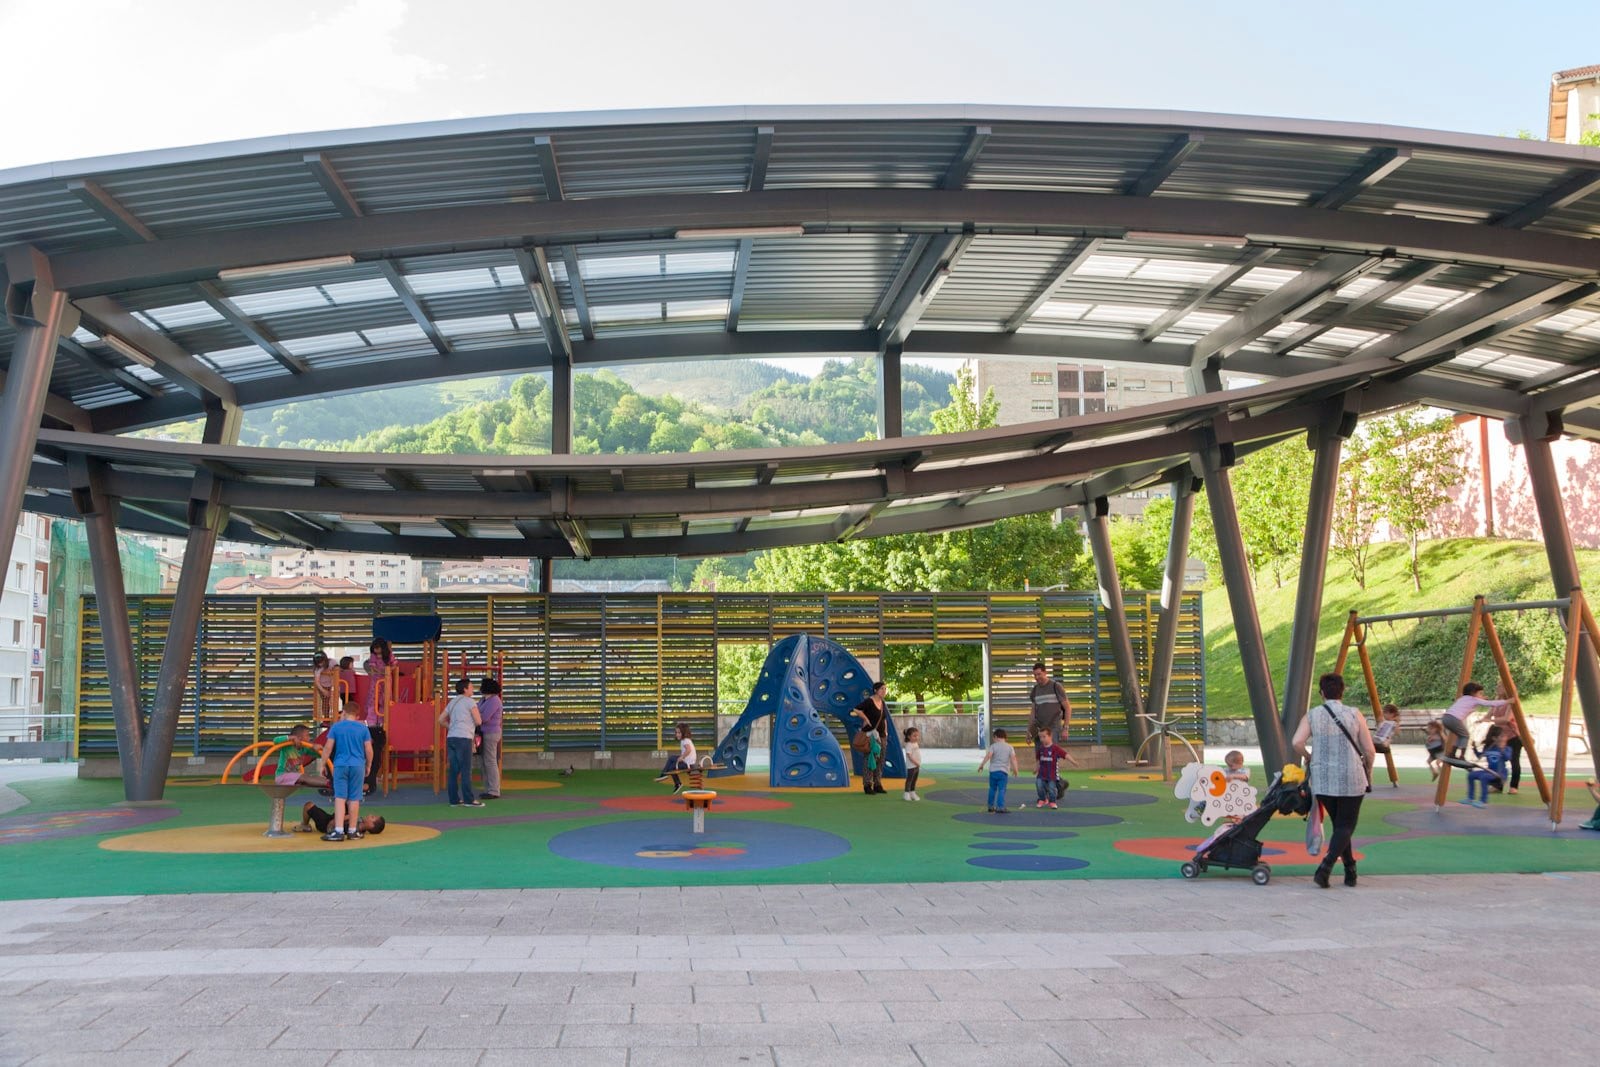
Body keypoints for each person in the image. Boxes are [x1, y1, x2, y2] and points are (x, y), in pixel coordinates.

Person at [1291, 673, 1375, 889]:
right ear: (1342, 691)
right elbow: (1369, 750)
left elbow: (1297, 742)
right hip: (1352, 776)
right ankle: (1325, 867)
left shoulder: (1313, 715)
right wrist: (1368, 770)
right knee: (1346, 825)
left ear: (1321, 693)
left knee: (1339, 825)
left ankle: (1350, 871)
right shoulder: (1354, 714)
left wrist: (1309, 757)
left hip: (1323, 778)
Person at [319, 701, 373, 841]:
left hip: (341, 765)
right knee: (354, 798)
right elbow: (368, 749)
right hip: (358, 765)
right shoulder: (363, 729)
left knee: (340, 798)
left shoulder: (336, 727)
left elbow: (328, 747)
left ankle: (338, 830)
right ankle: (353, 830)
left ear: (344, 712)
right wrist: (368, 765)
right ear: (357, 715)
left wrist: (323, 764)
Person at [438, 677, 484, 807]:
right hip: (464, 738)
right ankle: (469, 800)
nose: (473, 688)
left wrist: (451, 727)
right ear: (465, 689)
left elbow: (440, 720)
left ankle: (454, 800)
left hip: (451, 737)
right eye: (471, 686)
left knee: (454, 770)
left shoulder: (452, 702)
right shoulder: (470, 702)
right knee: (465, 770)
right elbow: (478, 721)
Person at [1442, 682, 1508, 760]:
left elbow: (1473, 704)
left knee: (1460, 735)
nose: (1482, 696)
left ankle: (1452, 753)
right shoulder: (1474, 700)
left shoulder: (1463, 698)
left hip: (1446, 718)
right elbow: (1490, 703)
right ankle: (1462, 756)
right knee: (1465, 735)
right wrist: (1508, 701)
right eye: (1480, 693)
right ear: (1473, 693)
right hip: (1454, 719)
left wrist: (1481, 699)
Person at [362, 640, 394, 795]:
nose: (376, 650)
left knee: (384, 702)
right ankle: (374, 722)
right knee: (373, 703)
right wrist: (382, 672)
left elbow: (393, 665)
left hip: (385, 681)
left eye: (378, 647)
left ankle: (381, 721)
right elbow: (373, 669)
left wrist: (386, 672)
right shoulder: (373, 657)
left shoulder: (389, 656)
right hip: (378, 681)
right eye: (374, 648)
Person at [852, 681, 890, 796]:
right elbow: (856, 709)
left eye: (885, 689)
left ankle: (877, 784)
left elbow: (884, 719)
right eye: (882, 689)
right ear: (875, 690)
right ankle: (867, 785)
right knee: (870, 759)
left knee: (881, 759)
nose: (884, 691)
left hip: (881, 735)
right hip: (871, 735)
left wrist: (886, 732)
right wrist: (866, 719)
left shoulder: (882, 703)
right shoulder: (869, 701)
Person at [1485, 687, 1522, 795]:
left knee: (1514, 761)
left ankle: (1514, 786)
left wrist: (1490, 720)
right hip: (1500, 737)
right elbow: (1488, 714)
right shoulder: (1497, 701)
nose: (1497, 688)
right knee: (1497, 761)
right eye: (1497, 685)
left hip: (1512, 736)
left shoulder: (1512, 702)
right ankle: (1498, 785)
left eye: (1500, 686)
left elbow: (1507, 719)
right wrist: (1483, 719)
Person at [1463, 725, 1511, 809]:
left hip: (1500, 774)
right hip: (1490, 771)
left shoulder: (1507, 748)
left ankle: (1483, 800)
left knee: (1484, 777)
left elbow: (1507, 758)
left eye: (1504, 737)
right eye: (1502, 736)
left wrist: (1502, 749)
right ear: (1494, 739)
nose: (1504, 739)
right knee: (1471, 775)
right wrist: (1474, 748)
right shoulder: (1489, 748)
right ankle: (1470, 798)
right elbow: (1479, 756)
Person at [1028, 662, 1071, 747]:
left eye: (1039, 674)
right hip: (1039, 729)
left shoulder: (1056, 686)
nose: (1036, 677)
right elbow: (1033, 712)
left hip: (1053, 728)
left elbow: (1068, 708)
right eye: (1035, 675)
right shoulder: (1035, 690)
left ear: (1045, 673)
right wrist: (1029, 731)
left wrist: (1065, 728)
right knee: (1040, 757)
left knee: (1051, 756)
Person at [978, 727, 1019, 814]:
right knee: (1002, 789)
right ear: (1005, 737)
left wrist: (982, 765)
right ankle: (1000, 807)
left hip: (993, 771)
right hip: (1003, 772)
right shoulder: (1009, 747)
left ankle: (990, 806)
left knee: (992, 788)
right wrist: (1015, 769)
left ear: (996, 737)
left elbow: (988, 756)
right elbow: (1013, 759)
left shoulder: (993, 746)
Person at [271, 724, 325, 788]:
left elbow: (320, 755)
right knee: (303, 777)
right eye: (307, 735)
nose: (309, 738)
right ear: (299, 738)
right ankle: (327, 783)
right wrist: (292, 737)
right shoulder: (287, 745)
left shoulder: (305, 748)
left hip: (295, 777)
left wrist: (318, 748)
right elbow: (275, 740)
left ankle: (328, 782)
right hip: (282, 776)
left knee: (309, 777)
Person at [476, 675, 504, 800]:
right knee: (484, 762)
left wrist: (476, 716)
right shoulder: (484, 700)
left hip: (491, 733)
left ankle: (494, 790)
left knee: (490, 761)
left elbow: (484, 717)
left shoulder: (494, 700)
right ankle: (488, 788)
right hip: (484, 733)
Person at [296, 801, 385, 837]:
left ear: (371, 825)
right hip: (336, 817)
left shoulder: (354, 829)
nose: (370, 814)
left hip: (326, 824)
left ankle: (305, 825)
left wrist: (350, 816)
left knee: (308, 805)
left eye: (372, 817)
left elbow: (332, 824)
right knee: (348, 801)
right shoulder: (360, 821)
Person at [656, 721, 696, 794]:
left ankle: (664, 774)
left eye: (679, 733)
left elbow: (689, 750)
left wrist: (682, 757)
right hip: (687, 762)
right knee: (671, 761)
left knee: (671, 765)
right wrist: (681, 757)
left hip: (688, 764)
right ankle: (675, 782)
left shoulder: (685, 740)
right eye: (676, 732)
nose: (677, 734)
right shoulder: (686, 740)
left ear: (684, 733)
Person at [1034, 728, 1069, 809]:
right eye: (1040, 737)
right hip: (1042, 773)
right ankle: (1043, 799)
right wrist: (1036, 768)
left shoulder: (1054, 748)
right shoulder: (1041, 749)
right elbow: (1038, 759)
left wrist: (1074, 762)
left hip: (1052, 774)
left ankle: (1052, 800)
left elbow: (1065, 754)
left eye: (1044, 737)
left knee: (1051, 787)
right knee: (1039, 784)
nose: (1042, 739)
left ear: (1050, 736)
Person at [312, 652, 337, 721]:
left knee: (334, 700)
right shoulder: (318, 669)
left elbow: (338, 668)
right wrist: (323, 690)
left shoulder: (332, 662)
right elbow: (316, 681)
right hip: (323, 685)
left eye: (322, 662)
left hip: (333, 684)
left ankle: (335, 715)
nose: (321, 664)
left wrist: (333, 671)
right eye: (318, 663)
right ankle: (326, 718)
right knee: (325, 702)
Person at [902, 726, 922, 802]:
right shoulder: (909, 745)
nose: (916, 737)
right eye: (914, 736)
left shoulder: (915, 743)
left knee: (914, 780)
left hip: (916, 766)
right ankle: (906, 793)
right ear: (908, 736)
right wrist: (916, 762)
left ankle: (912, 792)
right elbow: (909, 756)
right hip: (911, 766)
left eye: (917, 735)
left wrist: (918, 763)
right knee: (910, 780)